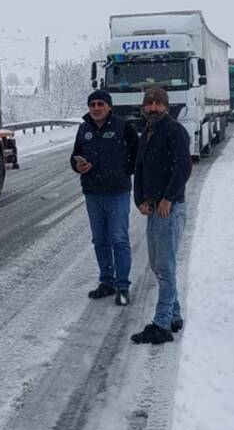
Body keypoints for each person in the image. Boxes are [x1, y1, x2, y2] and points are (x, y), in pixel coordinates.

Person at [130, 86, 192, 345]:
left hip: (170, 207)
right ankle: (174, 315)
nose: (153, 108)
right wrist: (139, 199)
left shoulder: (175, 131)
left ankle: (162, 324)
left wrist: (168, 198)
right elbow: (140, 168)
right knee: (158, 265)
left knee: (165, 268)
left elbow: (183, 168)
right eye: (149, 103)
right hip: (154, 208)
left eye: (158, 104)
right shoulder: (147, 132)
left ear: (166, 106)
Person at [70, 89, 140, 306]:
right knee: (100, 240)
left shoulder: (123, 127)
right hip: (92, 193)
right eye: (93, 104)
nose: (96, 108)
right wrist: (78, 165)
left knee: (119, 239)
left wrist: (121, 172)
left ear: (109, 106)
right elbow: (74, 156)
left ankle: (122, 286)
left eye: (101, 104)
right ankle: (107, 282)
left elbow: (136, 155)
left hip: (117, 192)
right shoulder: (84, 129)